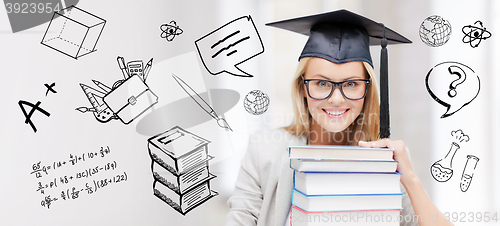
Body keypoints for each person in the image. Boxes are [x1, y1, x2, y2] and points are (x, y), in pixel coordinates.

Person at [225, 9, 453, 226]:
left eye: (351, 84)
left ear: (368, 90)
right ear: (302, 87)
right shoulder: (264, 150)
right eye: (322, 83)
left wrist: (410, 178)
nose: (336, 99)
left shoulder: (385, 159)